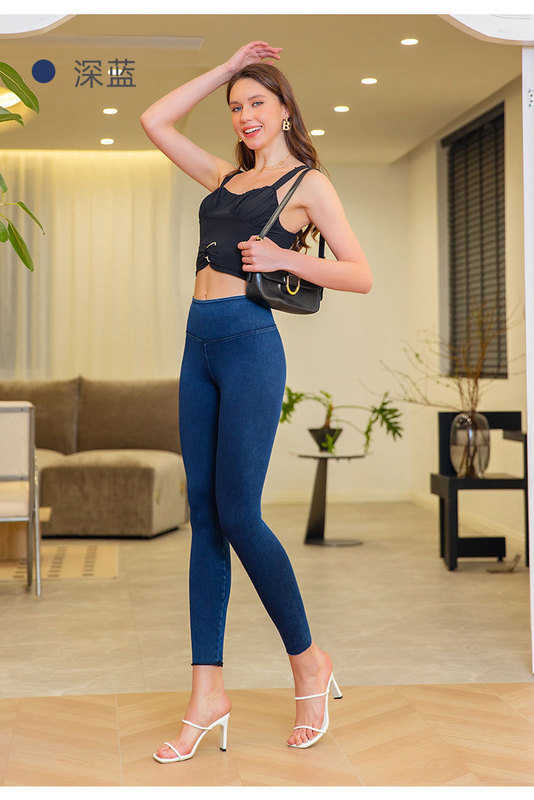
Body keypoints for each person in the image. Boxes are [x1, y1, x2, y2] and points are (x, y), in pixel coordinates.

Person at [140, 40, 372, 763]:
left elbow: (360, 273)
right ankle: (206, 694)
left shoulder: (308, 185)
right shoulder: (225, 178)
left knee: (240, 513)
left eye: (257, 102)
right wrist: (225, 67)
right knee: (205, 516)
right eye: (236, 106)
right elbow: (154, 121)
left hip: (249, 346)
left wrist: (284, 257)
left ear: (285, 109)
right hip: (198, 346)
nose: (244, 115)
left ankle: (308, 662)